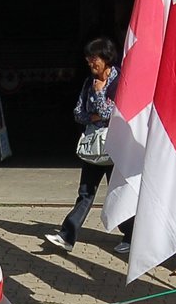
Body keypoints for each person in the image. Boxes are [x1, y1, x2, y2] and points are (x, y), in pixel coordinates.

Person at [44, 37, 134, 253]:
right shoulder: (88, 83)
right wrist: (93, 114)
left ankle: (132, 236)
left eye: (93, 58)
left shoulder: (120, 81)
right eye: (88, 58)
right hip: (94, 146)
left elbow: (112, 112)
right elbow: (78, 113)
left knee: (119, 193)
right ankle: (67, 235)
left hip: (116, 146)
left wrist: (98, 97)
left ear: (105, 58)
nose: (90, 63)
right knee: (86, 192)